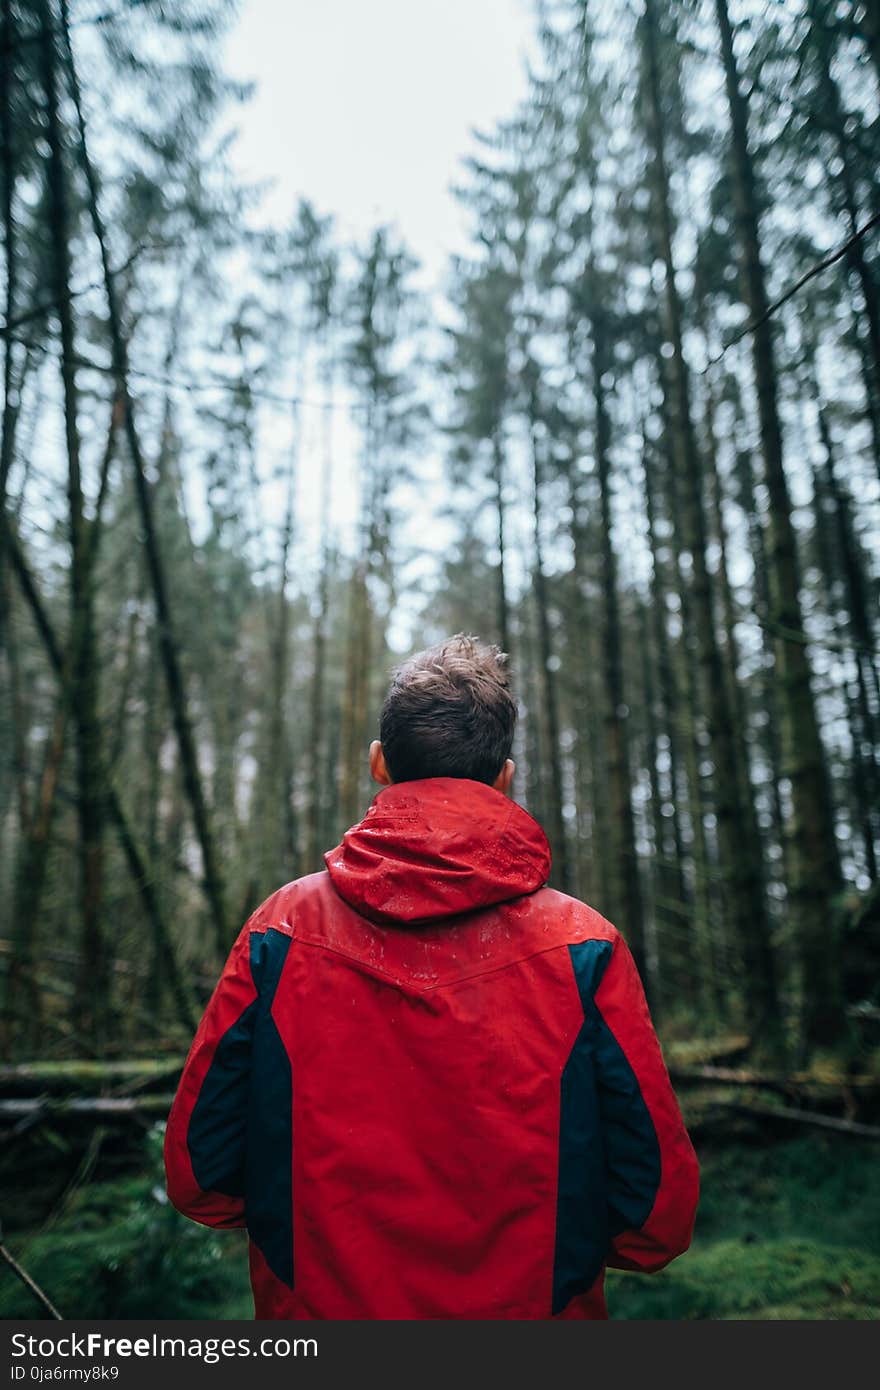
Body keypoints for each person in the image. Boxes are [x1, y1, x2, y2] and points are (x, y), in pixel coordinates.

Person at [164, 634, 699, 1319]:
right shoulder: (582, 945)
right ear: (504, 777)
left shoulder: (282, 930)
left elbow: (198, 1176)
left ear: (379, 764)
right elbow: (658, 1217)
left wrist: (316, 1240)